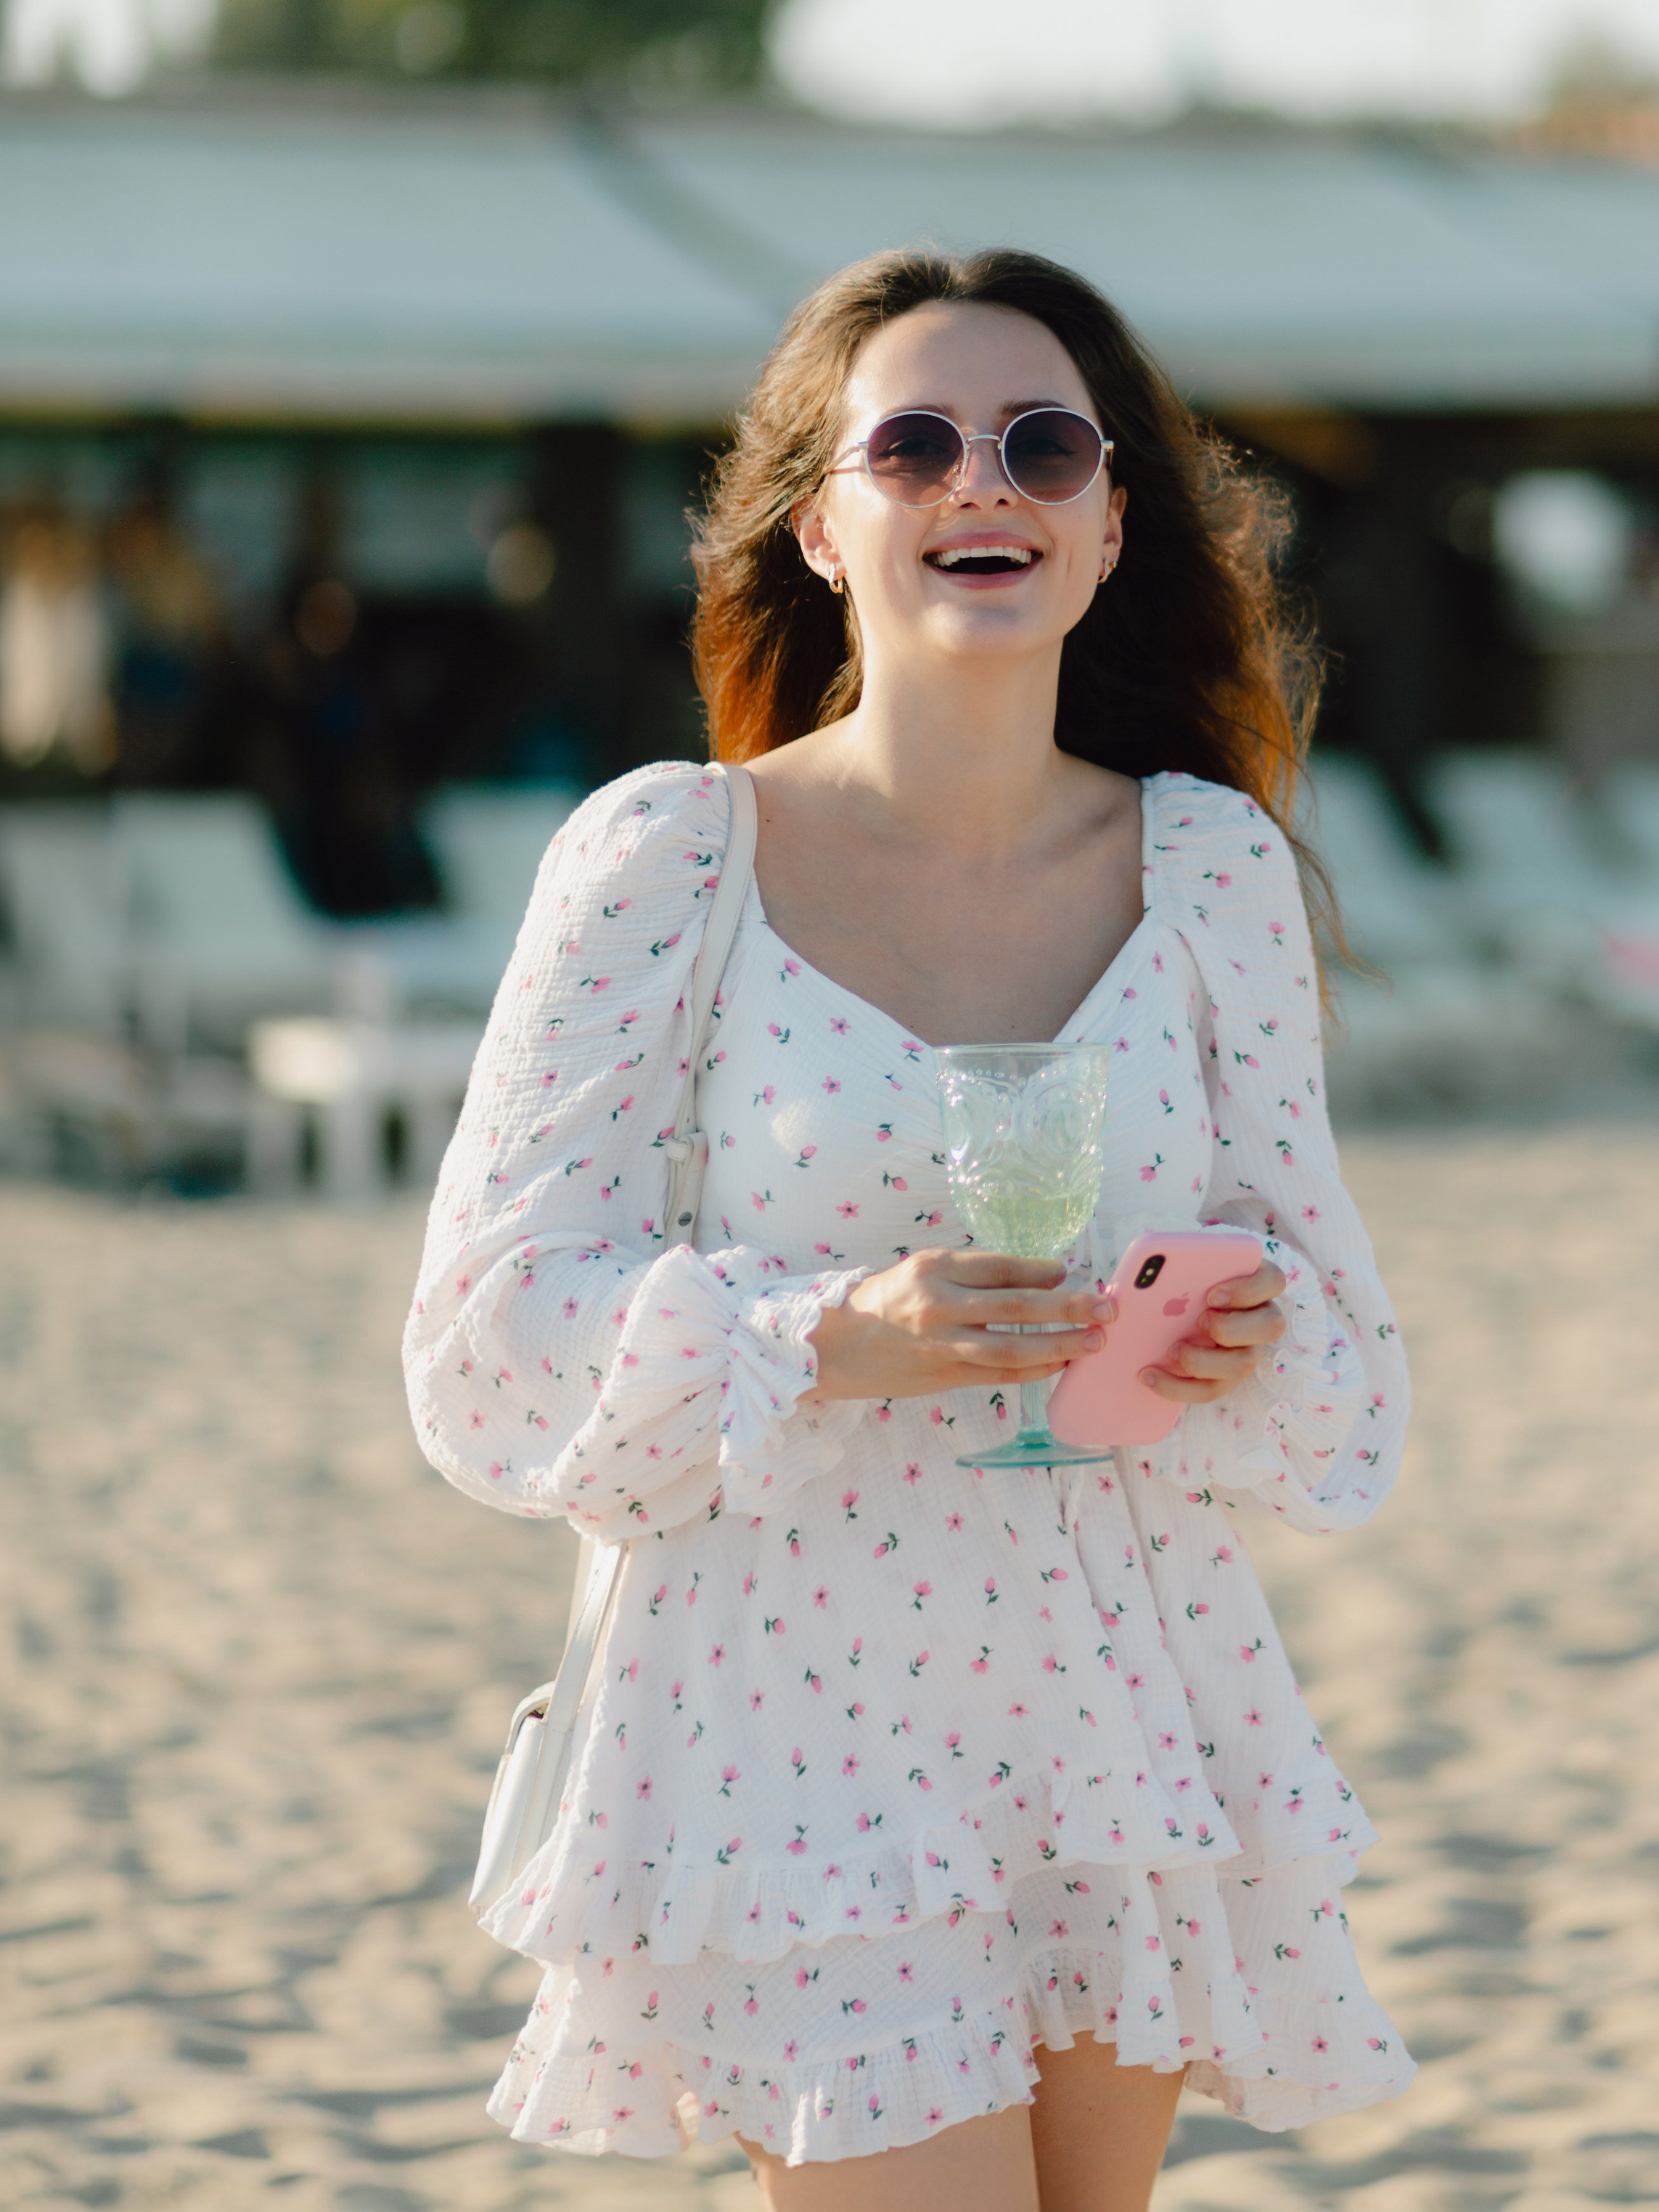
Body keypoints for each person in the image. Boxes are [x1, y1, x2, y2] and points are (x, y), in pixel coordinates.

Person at [403, 248, 1413, 2209]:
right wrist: (820, 1337)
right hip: (797, 1693)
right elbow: (484, 1345)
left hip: (1117, 1687)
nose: (986, 484)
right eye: (919, 443)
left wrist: (1246, 1336)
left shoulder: (1212, 870)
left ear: (1115, 525)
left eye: (1045, 446)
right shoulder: (664, 863)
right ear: (818, 525)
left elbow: (1351, 1382)